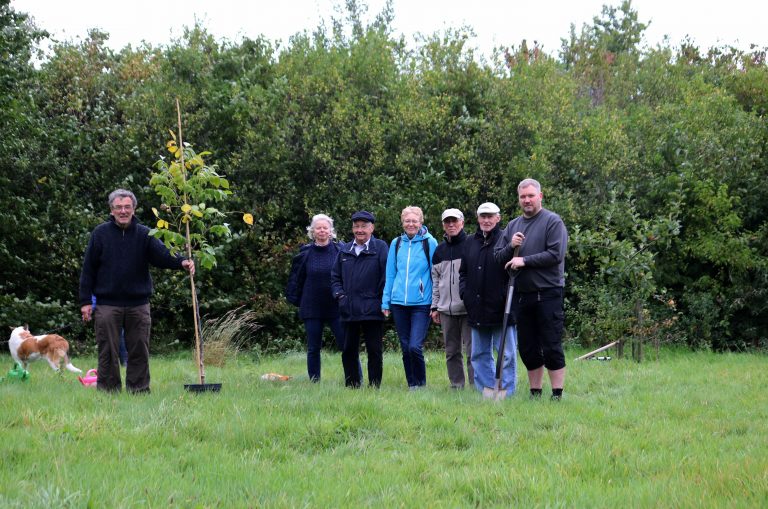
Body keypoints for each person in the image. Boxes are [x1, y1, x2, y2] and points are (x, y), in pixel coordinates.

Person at [79, 189, 194, 393]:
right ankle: (108, 391)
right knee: (108, 351)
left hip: (138, 304)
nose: (123, 211)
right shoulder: (100, 234)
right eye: (118, 207)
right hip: (107, 304)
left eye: (127, 207)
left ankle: (139, 390)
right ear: (111, 210)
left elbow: (162, 255)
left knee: (139, 350)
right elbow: (88, 269)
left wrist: (181, 262)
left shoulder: (144, 234)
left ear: (134, 209)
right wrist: (85, 301)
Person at [494, 179, 568, 400]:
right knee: (527, 347)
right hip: (521, 295)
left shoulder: (552, 222)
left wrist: (523, 260)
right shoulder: (513, 226)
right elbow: (498, 256)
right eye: (523, 196)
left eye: (530, 195)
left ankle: (557, 393)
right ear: (519, 199)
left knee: (551, 344)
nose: (526, 200)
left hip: (548, 293)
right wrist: (511, 247)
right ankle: (535, 392)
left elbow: (556, 254)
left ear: (540, 196)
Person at [459, 202, 517, 397]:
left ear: (498, 218)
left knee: (507, 355)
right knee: (479, 354)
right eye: (482, 216)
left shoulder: (507, 239)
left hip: (502, 307)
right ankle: (486, 391)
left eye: (490, 216)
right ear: (477, 218)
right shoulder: (469, 241)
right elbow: (463, 272)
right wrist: (464, 294)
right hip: (476, 307)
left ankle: (506, 393)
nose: (486, 220)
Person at [382, 206, 438, 390]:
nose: (411, 224)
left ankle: (420, 384)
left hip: (422, 304)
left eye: (414, 221)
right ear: (402, 222)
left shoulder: (429, 243)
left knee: (415, 346)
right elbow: (390, 274)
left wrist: (435, 304)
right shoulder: (396, 243)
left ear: (421, 222)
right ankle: (411, 384)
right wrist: (386, 301)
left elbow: (435, 274)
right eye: (407, 221)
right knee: (405, 347)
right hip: (399, 303)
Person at [330, 211, 389, 388]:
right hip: (349, 308)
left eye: (364, 226)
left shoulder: (380, 247)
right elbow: (334, 277)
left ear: (372, 228)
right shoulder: (344, 250)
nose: (360, 230)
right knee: (348, 349)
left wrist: (380, 299)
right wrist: (340, 296)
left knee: (374, 350)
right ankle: (352, 385)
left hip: (372, 308)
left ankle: (374, 385)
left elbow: (386, 276)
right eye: (356, 226)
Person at [285, 214, 345, 382]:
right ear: (312, 231)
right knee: (313, 348)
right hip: (311, 306)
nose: (322, 230)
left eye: (325, 227)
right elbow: (297, 279)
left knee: (346, 345)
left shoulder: (341, 250)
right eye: (318, 227)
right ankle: (314, 381)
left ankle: (354, 379)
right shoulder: (305, 253)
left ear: (331, 231)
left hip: (336, 306)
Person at [431, 208, 473, 389]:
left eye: (454, 221)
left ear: (462, 222)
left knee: (474, 352)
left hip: (469, 307)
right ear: (443, 225)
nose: (451, 224)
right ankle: (457, 386)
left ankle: (476, 386)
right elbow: (435, 281)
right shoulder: (439, 251)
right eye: (447, 221)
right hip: (446, 309)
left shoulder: (471, 244)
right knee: (451, 352)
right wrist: (434, 306)